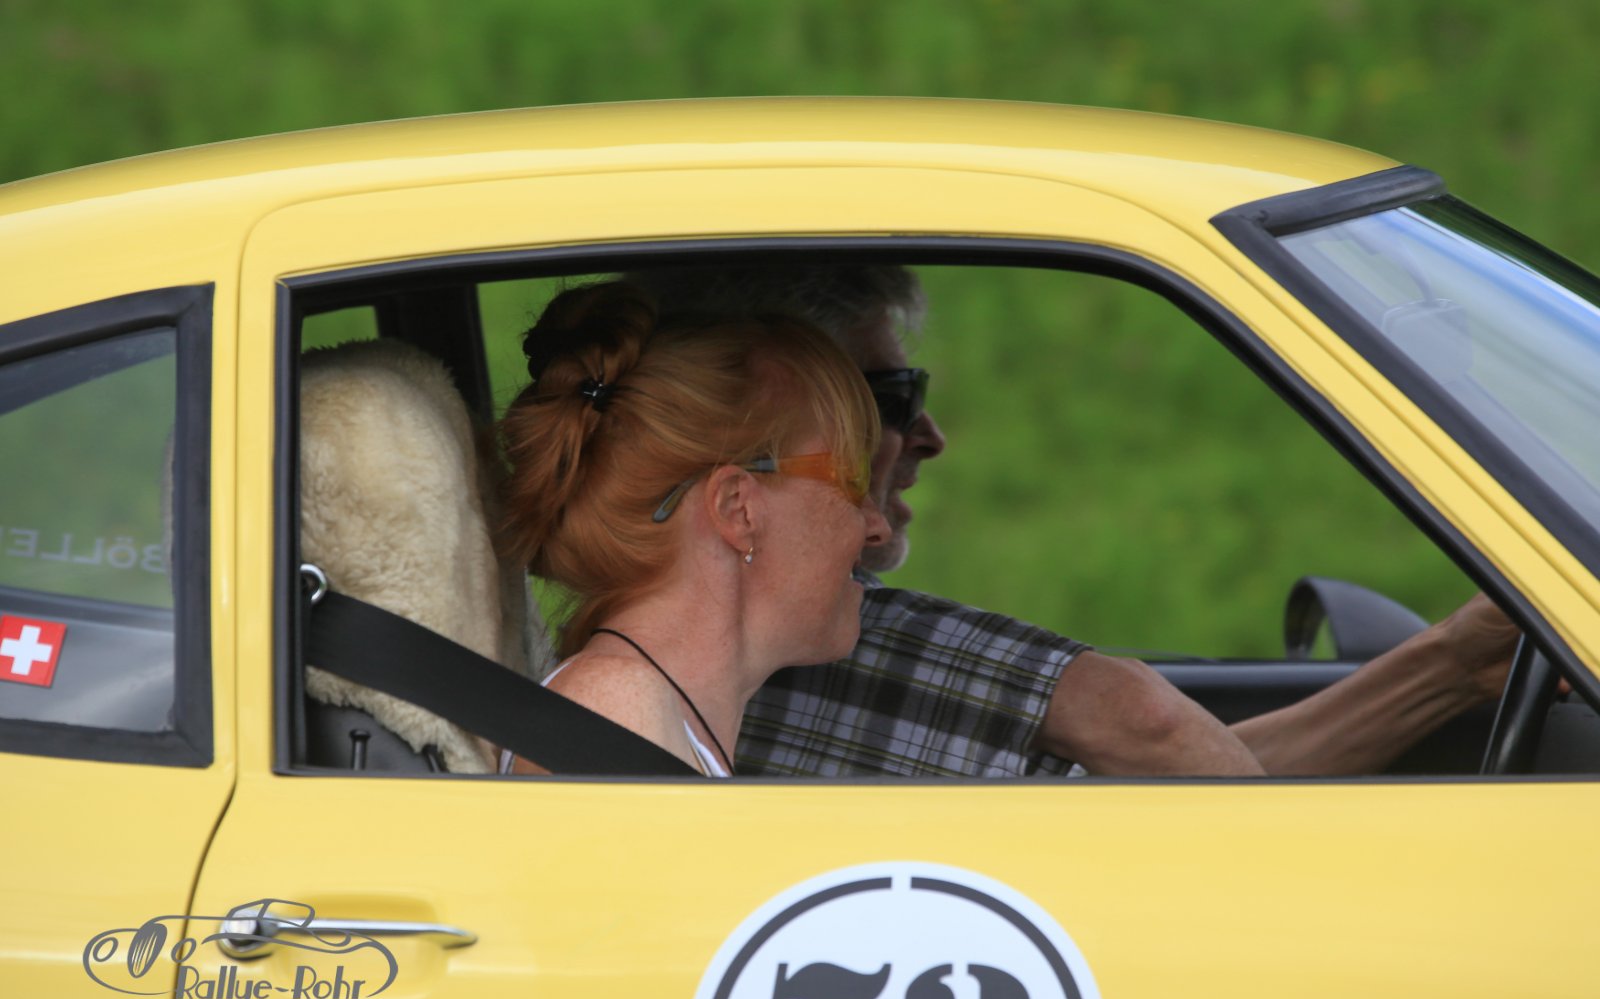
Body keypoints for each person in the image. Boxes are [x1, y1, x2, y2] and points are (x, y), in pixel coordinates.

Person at [625, 263, 1523, 778]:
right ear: (739, 479)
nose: (930, 436)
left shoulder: (649, 649)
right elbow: (1154, 733)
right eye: (888, 400)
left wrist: (1451, 667)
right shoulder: (797, 646)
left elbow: (1184, 778)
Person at [495, 281, 891, 776]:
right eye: (852, 477)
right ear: (737, 508)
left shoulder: (639, 712)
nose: (877, 527)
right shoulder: (617, 707)